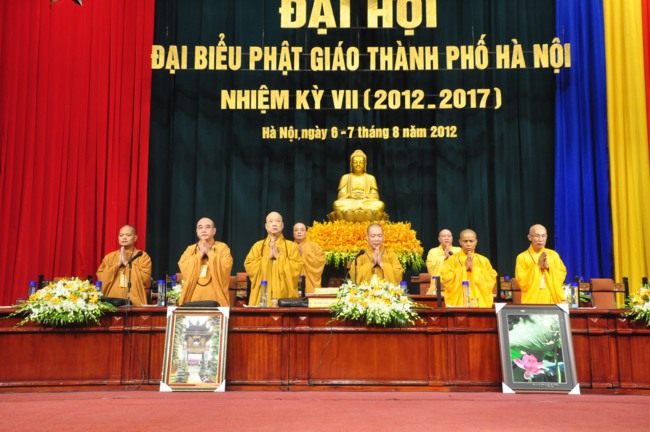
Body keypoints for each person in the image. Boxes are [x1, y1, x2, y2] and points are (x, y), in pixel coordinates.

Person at [245, 212, 303, 306]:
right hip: (262, 295)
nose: (274, 224)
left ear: (282, 225)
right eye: (271, 221)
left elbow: (297, 266)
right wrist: (267, 258)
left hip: (285, 296)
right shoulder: (258, 246)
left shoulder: (291, 246)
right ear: (266, 226)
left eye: (277, 221)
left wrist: (279, 257)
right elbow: (249, 265)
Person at [178, 217, 233, 306]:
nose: (203, 230)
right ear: (197, 231)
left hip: (216, 297)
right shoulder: (190, 249)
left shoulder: (222, 247)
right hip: (193, 297)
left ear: (214, 231)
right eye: (200, 227)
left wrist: (209, 253)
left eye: (207, 227)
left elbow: (226, 266)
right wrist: (199, 255)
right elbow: (183, 266)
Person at [96, 225, 152, 306]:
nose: (124, 238)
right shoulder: (109, 257)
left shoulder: (142, 256)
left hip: (133, 299)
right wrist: (118, 264)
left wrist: (126, 263)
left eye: (128, 235)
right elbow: (101, 277)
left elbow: (145, 278)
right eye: (121, 235)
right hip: (111, 300)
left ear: (135, 238)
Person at [440, 229, 497, 308]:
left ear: (476, 242)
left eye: (471, 241)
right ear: (460, 242)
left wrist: (474, 270)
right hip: (457, 302)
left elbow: (491, 278)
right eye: (465, 241)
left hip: (479, 301)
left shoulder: (483, 260)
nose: (468, 244)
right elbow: (446, 278)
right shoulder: (451, 260)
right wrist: (465, 269)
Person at [329, 149, 387, 221]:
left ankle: (356, 209)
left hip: (365, 202)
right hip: (351, 202)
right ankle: (360, 210)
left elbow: (375, 195)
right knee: (337, 204)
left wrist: (365, 196)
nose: (358, 164)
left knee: (380, 205)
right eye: (355, 162)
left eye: (361, 162)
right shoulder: (345, 177)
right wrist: (350, 195)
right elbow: (340, 195)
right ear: (351, 164)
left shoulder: (370, 178)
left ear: (365, 164)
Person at [515, 224, 567, 304]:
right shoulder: (522, 257)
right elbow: (522, 282)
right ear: (529, 237)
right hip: (532, 300)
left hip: (552, 299)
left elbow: (562, 274)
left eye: (543, 236)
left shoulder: (553, 255)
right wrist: (537, 266)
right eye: (537, 236)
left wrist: (548, 268)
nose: (540, 239)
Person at [293, 222, 326, 294]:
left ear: (306, 232)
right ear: (293, 233)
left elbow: (321, 260)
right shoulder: (289, 247)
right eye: (296, 230)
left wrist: (305, 256)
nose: (299, 232)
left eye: (302, 230)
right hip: (294, 283)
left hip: (311, 282)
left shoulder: (314, 246)